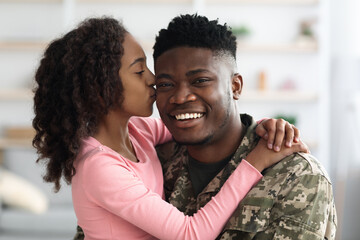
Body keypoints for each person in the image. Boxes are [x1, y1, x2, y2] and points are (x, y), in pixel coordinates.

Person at [32, 17, 307, 240]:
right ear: (101, 90)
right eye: (139, 72)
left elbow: (200, 123)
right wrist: (256, 161)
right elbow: (190, 234)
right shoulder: (100, 167)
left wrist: (263, 127)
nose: (153, 80)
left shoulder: (138, 132)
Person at [152, 14, 337, 240]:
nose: (180, 97)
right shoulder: (151, 163)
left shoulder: (295, 175)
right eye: (165, 84)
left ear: (236, 86)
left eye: (200, 80)